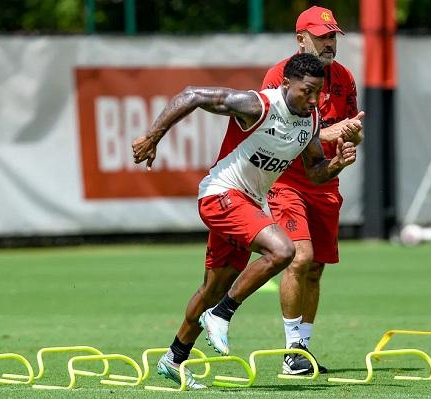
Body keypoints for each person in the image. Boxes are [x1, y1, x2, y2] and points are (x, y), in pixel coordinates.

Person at [132, 53, 357, 389]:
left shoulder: (309, 121)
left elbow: (314, 172)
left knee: (211, 289)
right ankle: (222, 314)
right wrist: (153, 137)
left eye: (318, 93)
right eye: (306, 91)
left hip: (246, 204)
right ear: (285, 84)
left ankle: (174, 358)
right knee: (283, 251)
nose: (313, 100)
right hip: (220, 195)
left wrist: (337, 163)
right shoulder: (258, 105)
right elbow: (191, 94)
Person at [261, 6, 364, 375]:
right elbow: (273, 133)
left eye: (333, 36)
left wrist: (351, 137)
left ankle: (302, 348)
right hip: (286, 181)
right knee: (299, 257)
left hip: (325, 181)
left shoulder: (344, 77)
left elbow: (354, 129)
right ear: (300, 39)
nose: (330, 43)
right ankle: (291, 353)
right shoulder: (278, 76)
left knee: (317, 268)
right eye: (322, 37)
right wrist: (328, 134)